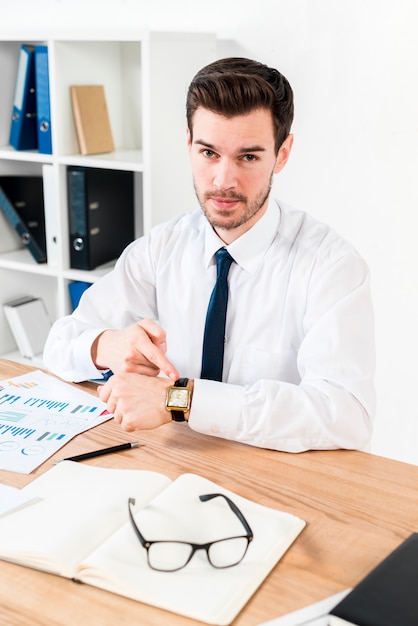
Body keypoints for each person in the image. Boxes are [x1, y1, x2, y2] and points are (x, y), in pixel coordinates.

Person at [43, 57, 376, 453]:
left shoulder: (330, 265)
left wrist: (180, 400)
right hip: (171, 461)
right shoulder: (161, 248)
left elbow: (346, 414)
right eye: (209, 153)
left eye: (248, 157)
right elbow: (59, 345)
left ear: (282, 154)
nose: (223, 180)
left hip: (278, 476)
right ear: (189, 145)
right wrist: (105, 346)